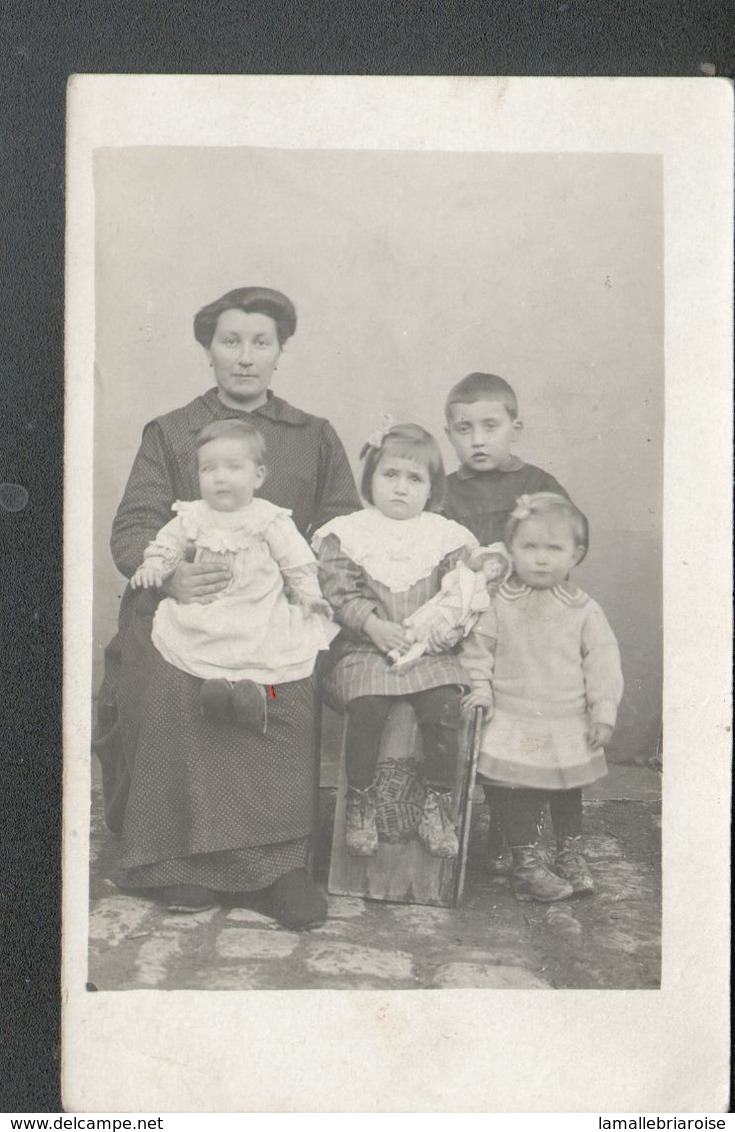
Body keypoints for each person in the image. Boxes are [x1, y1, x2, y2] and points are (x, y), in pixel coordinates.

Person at [94, 286, 360, 926]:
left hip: (274, 612)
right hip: (188, 605)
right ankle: (178, 864)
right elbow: (135, 528)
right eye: (230, 341)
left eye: (260, 342)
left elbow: (341, 531)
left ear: (279, 352)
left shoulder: (313, 436)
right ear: (209, 350)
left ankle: (280, 869)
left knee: (285, 683)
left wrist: (319, 595)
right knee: (167, 672)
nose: (245, 357)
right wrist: (172, 578)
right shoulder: (171, 433)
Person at [313, 422, 491, 860]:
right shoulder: (349, 532)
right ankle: (361, 799)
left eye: (415, 480)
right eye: (389, 475)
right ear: (370, 479)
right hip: (365, 650)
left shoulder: (445, 537)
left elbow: (461, 594)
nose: (400, 488)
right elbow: (338, 590)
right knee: (368, 707)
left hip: (427, 653)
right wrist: (373, 625)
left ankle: (436, 801)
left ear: (431, 490)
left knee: (444, 706)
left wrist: (447, 627)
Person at [441, 371, 573, 869]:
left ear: (515, 427)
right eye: (463, 428)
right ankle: (489, 823)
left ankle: (521, 829)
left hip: (529, 627)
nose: (477, 439)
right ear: (449, 432)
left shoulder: (536, 484)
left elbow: (569, 542)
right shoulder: (445, 492)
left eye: (490, 426)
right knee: (482, 717)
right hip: (472, 629)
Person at [464, 492, 624, 902]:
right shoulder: (498, 604)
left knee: (566, 786)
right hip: (516, 717)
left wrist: (602, 710)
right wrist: (480, 691)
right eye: (529, 547)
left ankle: (568, 851)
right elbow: (478, 652)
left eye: (554, 549)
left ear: (575, 555)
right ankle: (526, 862)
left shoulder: (583, 609)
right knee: (517, 786)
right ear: (511, 550)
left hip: (566, 718)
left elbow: (602, 660)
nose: (540, 558)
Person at [130, 417, 337, 734]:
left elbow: (296, 561)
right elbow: (167, 543)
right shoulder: (195, 514)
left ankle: (255, 698)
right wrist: (155, 566)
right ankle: (216, 695)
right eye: (208, 469)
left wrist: (310, 596)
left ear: (258, 476)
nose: (220, 478)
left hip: (258, 608)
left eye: (233, 467)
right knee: (202, 637)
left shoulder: (268, 518)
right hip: (212, 607)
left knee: (265, 650)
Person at [386, 543, 511, 668]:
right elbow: (450, 578)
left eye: (497, 571)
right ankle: (397, 651)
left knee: (425, 642)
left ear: (497, 577)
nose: (494, 568)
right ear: (484, 561)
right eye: (493, 563)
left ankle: (405, 660)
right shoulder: (465, 573)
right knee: (416, 629)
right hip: (441, 607)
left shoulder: (484, 597)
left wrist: (463, 630)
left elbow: (473, 617)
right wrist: (446, 588)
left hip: (451, 620)